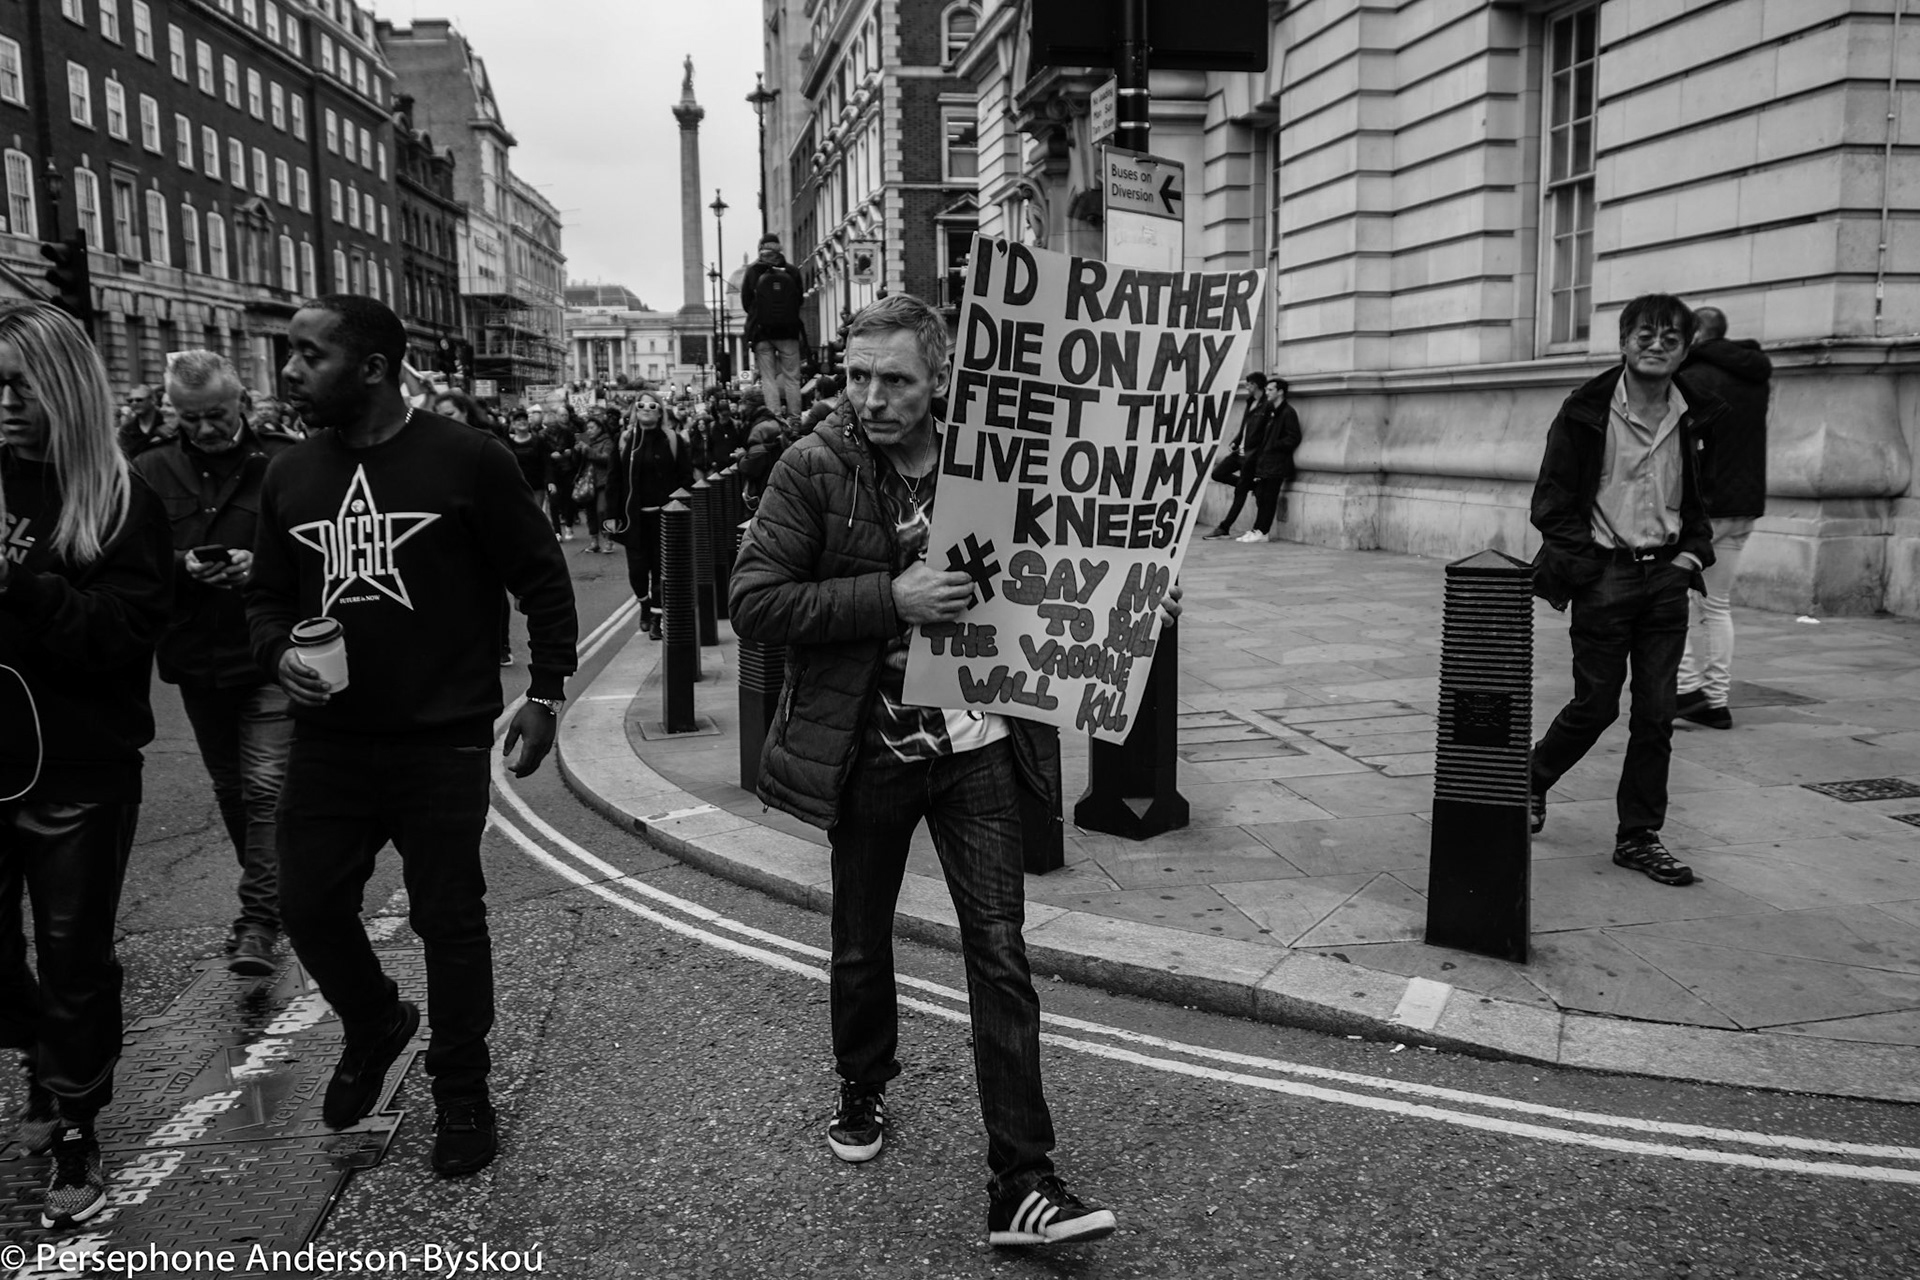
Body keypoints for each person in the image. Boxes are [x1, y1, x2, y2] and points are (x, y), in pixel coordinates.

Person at [730, 293, 1118, 1248]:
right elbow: (754, 600)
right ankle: (863, 1082)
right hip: (868, 751)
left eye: (895, 379)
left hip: (979, 746)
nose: (872, 397)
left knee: (1001, 954)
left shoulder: (995, 459)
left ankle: (1022, 1180)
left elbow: (1063, 564)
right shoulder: (811, 468)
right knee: (863, 940)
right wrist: (889, 598)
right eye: (858, 376)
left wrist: (1128, 578)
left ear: (940, 377)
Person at [248, 295, 578, 1177]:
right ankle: (375, 1021)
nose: (288, 370)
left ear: (373, 367)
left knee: (449, 919)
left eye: (307, 355)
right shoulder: (288, 475)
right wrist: (277, 650)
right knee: (309, 905)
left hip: (443, 737)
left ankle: (461, 1092)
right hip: (329, 739)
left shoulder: (467, 459)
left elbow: (542, 579)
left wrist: (545, 694)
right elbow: (266, 600)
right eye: (290, 353)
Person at [0, 301, 174, 1228]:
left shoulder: (118, 499)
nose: (5, 402)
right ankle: (41, 1046)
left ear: (64, 387)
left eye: (22, 384)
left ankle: (76, 1122)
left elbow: (122, 635)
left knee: (74, 955)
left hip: (78, 768)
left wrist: (21, 585)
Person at [1528, 293, 1721, 888]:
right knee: (1597, 704)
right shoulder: (1585, 410)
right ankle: (1531, 778)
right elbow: (1551, 504)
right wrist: (1587, 566)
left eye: (1670, 338)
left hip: (1666, 577)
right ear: (1623, 340)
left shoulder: (1700, 414)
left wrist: (1690, 558)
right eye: (1645, 334)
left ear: (1686, 349)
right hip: (1605, 575)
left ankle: (1638, 836)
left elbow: (1708, 496)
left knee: (1657, 714)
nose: (1656, 345)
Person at [133, 351, 293, 978]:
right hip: (197, 659)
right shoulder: (148, 469)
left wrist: (264, 566)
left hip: (265, 655)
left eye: (217, 416)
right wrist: (182, 567)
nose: (205, 429)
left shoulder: (281, 463)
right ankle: (275, 892)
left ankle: (258, 922)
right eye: (191, 417)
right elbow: (131, 562)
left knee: (265, 790)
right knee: (234, 792)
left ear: (242, 404)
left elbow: (312, 550)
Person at [1673, 306, 1770, 731]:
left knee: (1669, 600)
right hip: (1744, 503)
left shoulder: (1692, 378)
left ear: (1694, 337)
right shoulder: (1756, 376)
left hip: (1703, 509)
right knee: (1716, 605)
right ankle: (1715, 700)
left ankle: (1684, 689)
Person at [606, 392, 691, 641]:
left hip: (666, 519)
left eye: (652, 405)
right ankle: (644, 604)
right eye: (641, 405)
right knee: (637, 572)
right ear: (635, 410)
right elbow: (614, 480)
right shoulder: (624, 441)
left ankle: (656, 617)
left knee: (661, 570)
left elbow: (685, 478)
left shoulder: (673, 441)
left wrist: (681, 509)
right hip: (635, 520)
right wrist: (611, 516)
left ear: (660, 411)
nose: (646, 409)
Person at [741, 234, 807, 420]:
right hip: (789, 332)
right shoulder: (792, 271)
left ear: (761, 250)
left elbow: (746, 302)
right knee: (792, 378)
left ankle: (775, 418)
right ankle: (795, 419)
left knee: (768, 379)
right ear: (779, 250)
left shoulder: (753, 272)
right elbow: (799, 300)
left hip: (762, 333)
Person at [1204, 372, 1270, 540]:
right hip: (1238, 453)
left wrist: (1257, 454)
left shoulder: (1267, 405)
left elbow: (1266, 433)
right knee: (1217, 473)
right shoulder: (1250, 402)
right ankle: (1251, 486)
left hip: (1250, 457)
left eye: (1248, 384)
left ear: (1255, 385)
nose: (1246, 387)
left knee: (1239, 493)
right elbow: (1245, 427)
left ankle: (1224, 527)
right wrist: (1236, 440)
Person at [1237, 377, 1301, 543]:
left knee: (1269, 498)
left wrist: (1274, 445)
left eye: (1271, 390)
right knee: (1262, 497)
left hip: (1277, 464)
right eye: (1266, 390)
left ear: (1280, 391)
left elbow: (1293, 437)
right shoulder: (1272, 411)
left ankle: (1263, 531)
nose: (1267, 393)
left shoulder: (1287, 412)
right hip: (1266, 463)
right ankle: (1257, 529)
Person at [579, 411, 618, 554]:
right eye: (587, 428)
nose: (589, 431)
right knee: (590, 512)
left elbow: (607, 459)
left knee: (603, 510)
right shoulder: (586, 442)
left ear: (600, 428)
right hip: (588, 481)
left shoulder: (607, 441)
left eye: (592, 428)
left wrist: (589, 451)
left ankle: (609, 539)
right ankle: (594, 541)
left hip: (603, 480)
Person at [115, 383, 175, 459]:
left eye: (139, 400)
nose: (134, 403)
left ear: (153, 400)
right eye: (130, 400)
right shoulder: (127, 430)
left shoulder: (166, 423)